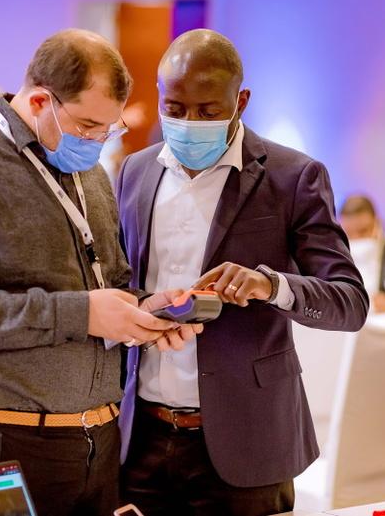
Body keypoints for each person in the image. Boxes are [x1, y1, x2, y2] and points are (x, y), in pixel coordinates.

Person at [0, 29, 200, 516]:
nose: (96, 141)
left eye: (107, 130)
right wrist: (82, 314)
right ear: (40, 101)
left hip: (98, 443)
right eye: (87, 125)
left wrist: (145, 311)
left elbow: (108, 285)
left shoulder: (90, 172)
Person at [116, 29, 369, 516]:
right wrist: (142, 306)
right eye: (175, 108)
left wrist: (271, 285)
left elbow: (350, 302)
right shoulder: (134, 172)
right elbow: (114, 282)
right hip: (140, 440)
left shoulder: (293, 177)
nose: (190, 123)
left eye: (208, 111)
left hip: (248, 443)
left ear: (241, 101)